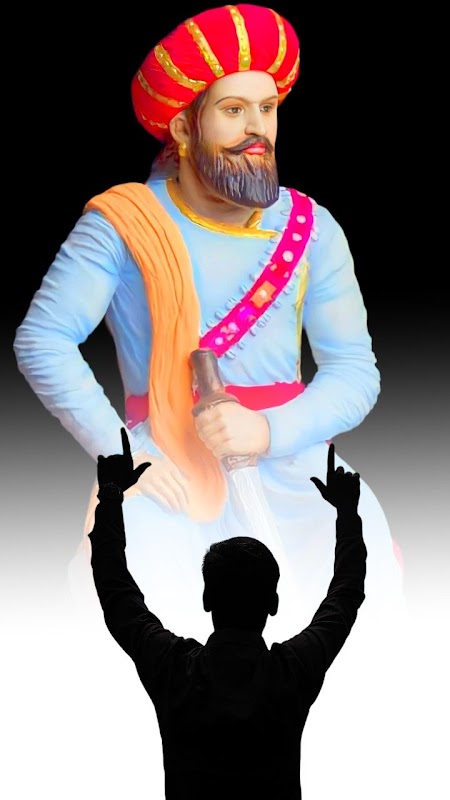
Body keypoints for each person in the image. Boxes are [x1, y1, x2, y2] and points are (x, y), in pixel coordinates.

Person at [13, 4, 404, 643]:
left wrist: (267, 430)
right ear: (184, 126)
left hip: (292, 459)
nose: (257, 129)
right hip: (168, 463)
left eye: (267, 108)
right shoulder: (123, 224)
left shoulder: (312, 229)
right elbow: (43, 339)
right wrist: (124, 454)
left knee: (364, 573)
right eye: (233, 110)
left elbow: (355, 373)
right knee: (141, 598)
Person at [90, 430, 366, 798]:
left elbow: (116, 593)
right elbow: (346, 593)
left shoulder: (173, 668)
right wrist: (347, 511)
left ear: (207, 598)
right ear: (273, 603)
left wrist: (110, 495)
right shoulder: (293, 670)